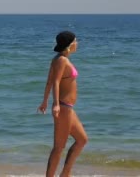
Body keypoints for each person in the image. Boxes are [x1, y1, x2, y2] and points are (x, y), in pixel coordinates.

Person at [38, 31, 88, 177]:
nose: (77, 43)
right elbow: (56, 82)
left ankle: (65, 173)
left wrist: (44, 101)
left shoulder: (59, 59)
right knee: (59, 147)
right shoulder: (61, 61)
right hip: (64, 107)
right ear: (70, 44)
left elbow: (49, 81)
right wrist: (55, 104)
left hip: (68, 108)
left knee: (82, 140)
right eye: (76, 41)